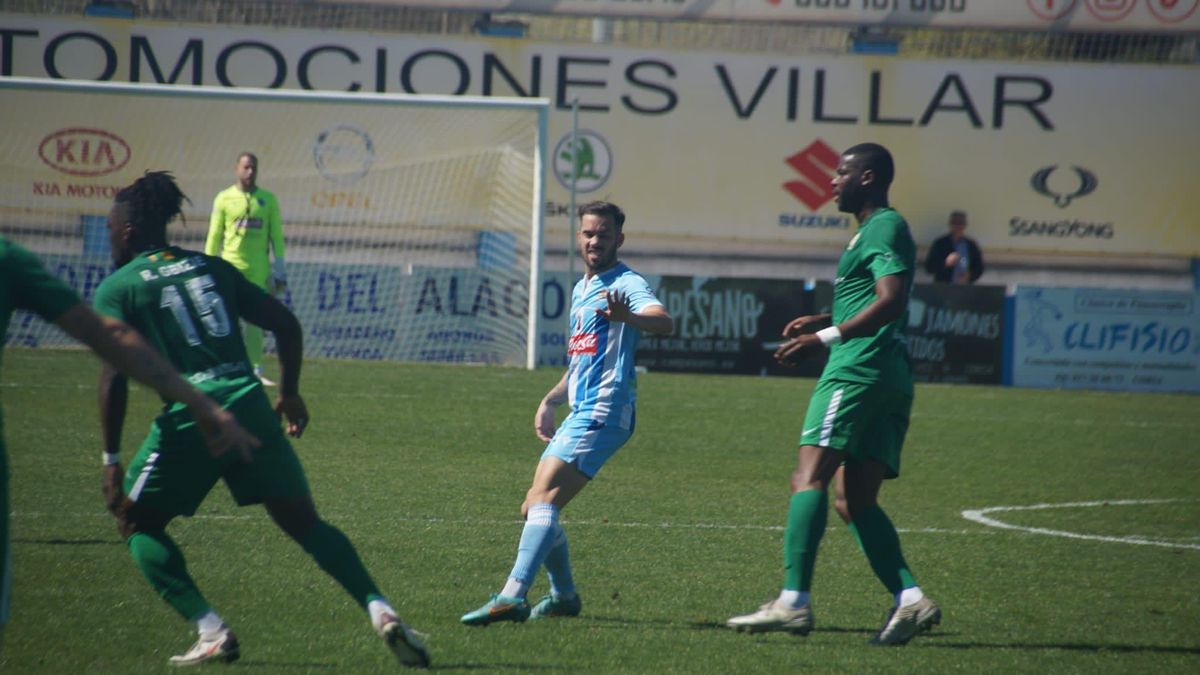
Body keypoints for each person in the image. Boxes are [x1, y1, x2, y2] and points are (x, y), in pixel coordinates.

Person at [94, 172, 428, 667]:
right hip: (249, 404)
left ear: (126, 231)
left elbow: (113, 378)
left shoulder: (119, 287)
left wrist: (111, 458)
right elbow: (286, 324)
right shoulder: (211, 269)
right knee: (305, 523)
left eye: (109, 227)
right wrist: (289, 393)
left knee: (133, 519)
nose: (109, 236)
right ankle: (380, 609)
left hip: (193, 416)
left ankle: (210, 630)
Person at [726, 143, 941, 646]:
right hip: (886, 376)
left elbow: (891, 301)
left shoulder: (885, 226)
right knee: (856, 501)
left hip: (857, 373)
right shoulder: (868, 233)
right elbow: (875, 295)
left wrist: (823, 339)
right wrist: (827, 316)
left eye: (841, 173)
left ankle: (792, 603)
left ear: (867, 178)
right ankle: (911, 599)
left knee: (809, 477)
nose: (832, 181)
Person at [0, 235, 258, 633]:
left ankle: (208, 626)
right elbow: (107, 337)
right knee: (136, 519)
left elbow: (112, 343)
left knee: (134, 519)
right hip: (225, 403)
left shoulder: (13, 260)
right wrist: (199, 401)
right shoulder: (9, 258)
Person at [460, 200, 673, 626]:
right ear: (579, 237)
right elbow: (581, 363)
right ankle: (564, 597)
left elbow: (662, 320)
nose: (595, 241)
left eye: (604, 234)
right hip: (585, 407)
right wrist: (552, 398)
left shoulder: (626, 283)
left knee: (542, 499)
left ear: (619, 239)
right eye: (589, 233)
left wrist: (628, 316)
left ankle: (512, 595)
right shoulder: (582, 288)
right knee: (533, 507)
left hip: (605, 409)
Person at [205, 152, 286, 385]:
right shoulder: (223, 199)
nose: (250, 172)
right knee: (226, 319)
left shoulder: (268, 200)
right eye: (246, 168)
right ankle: (225, 367)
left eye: (254, 168)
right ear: (236, 169)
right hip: (229, 267)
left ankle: (254, 370)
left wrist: (279, 268)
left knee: (255, 322)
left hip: (258, 270)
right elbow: (214, 235)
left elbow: (277, 237)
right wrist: (209, 266)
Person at [923, 210, 983, 284]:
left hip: (965, 289)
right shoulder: (940, 244)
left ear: (965, 225)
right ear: (950, 224)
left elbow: (979, 268)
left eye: (961, 223)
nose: (958, 226)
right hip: (944, 289)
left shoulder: (971, 245)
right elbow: (929, 268)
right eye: (955, 223)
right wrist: (945, 263)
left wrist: (969, 275)